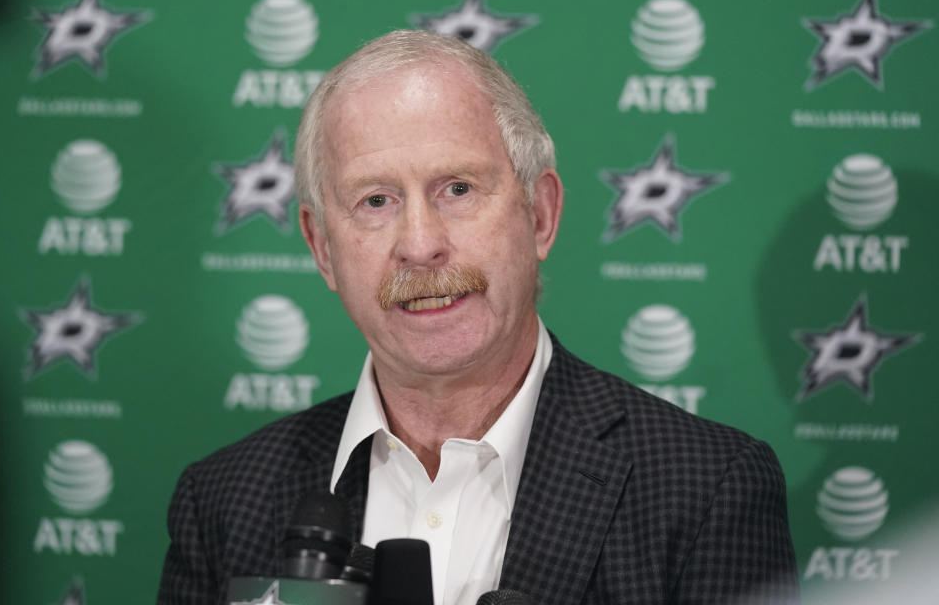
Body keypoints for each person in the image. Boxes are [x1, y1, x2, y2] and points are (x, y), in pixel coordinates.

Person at [158, 30, 798, 605]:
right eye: (375, 200)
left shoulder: (707, 489)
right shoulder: (222, 501)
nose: (419, 242)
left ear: (540, 216)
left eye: (457, 189)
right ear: (323, 248)